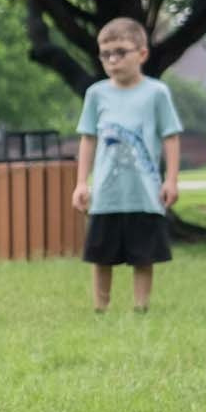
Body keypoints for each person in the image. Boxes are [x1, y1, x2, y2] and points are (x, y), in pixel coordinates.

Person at [72, 18, 182, 314]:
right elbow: (88, 138)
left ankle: (141, 307)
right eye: (105, 54)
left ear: (142, 54)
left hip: (144, 192)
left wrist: (170, 180)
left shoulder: (156, 93)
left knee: (142, 255)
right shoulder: (96, 94)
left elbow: (170, 136)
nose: (112, 60)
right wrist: (82, 182)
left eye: (120, 52)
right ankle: (100, 308)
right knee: (101, 254)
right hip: (106, 193)